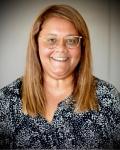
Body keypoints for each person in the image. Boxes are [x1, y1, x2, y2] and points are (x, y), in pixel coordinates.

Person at [0, 4, 120, 149]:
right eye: (51, 40)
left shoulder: (108, 98)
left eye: (71, 40)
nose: (61, 49)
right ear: (36, 43)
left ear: (82, 46)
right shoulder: (6, 101)